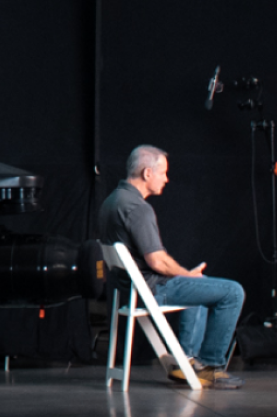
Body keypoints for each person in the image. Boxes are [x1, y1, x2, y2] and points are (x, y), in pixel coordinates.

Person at [100, 144, 248, 386]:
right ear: (147, 173)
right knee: (233, 292)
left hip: (129, 291)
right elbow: (157, 260)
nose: (166, 179)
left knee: (201, 286)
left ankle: (186, 361)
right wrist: (187, 275)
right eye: (163, 173)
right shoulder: (137, 208)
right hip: (151, 290)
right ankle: (211, 366)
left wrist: (187, 276)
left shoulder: (112, 200)